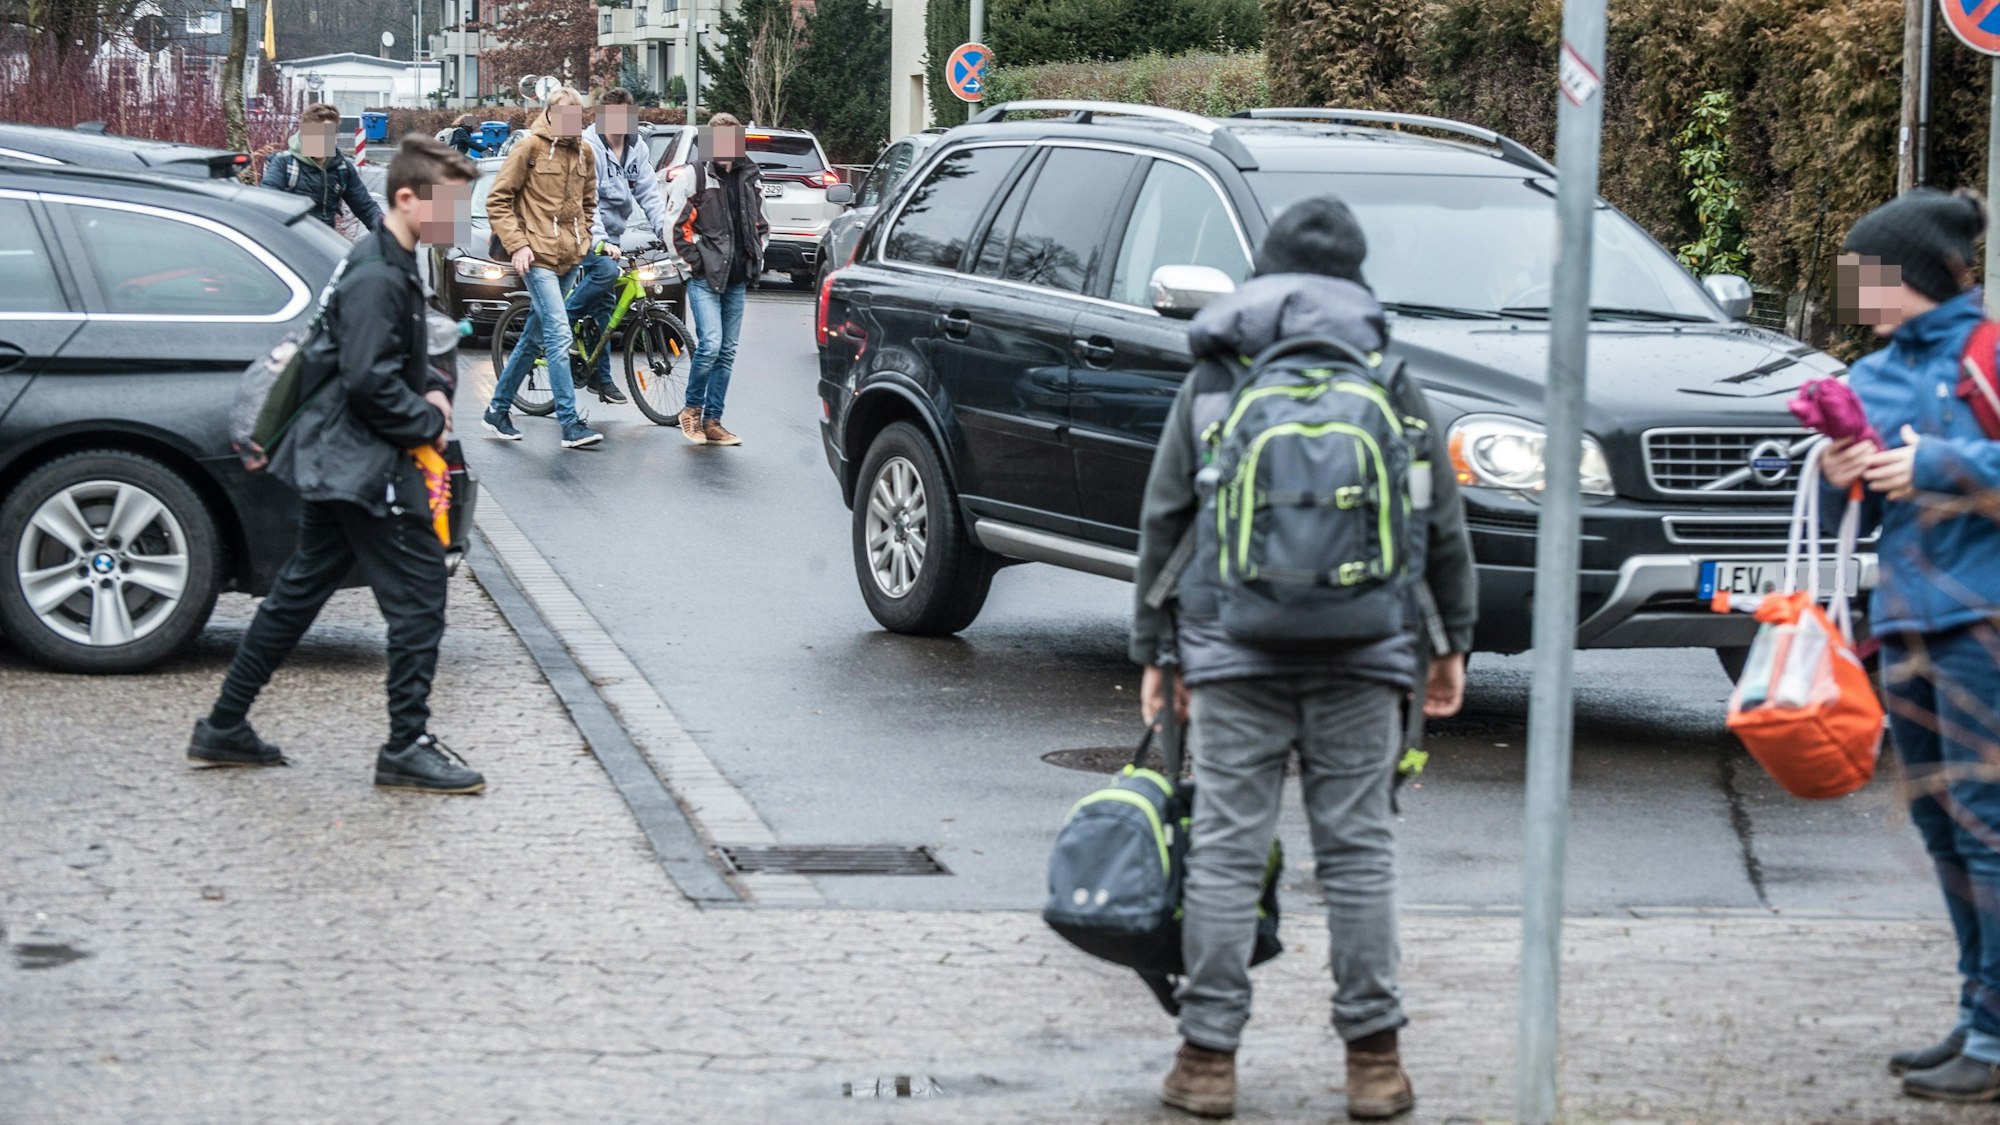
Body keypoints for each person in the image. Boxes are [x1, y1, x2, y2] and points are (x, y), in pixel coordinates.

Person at [1129, 197, 1476, 1121]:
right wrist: (1448, 645)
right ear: (1354, 280)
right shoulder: (1387, 373)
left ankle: (1207, 1060)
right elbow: (1440, 522)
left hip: (1231, 649)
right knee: (1359, 854)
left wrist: (1156, 651)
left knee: (1226, 851)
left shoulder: (1216, 374)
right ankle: (1375, 1064)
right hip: (1366, 649)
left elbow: (1166, 517)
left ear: (1266, 275)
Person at [188, 135, 485, 795]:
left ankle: (224, 725)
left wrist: (427, 387)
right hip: (365, 465)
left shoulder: (386, 257)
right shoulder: (379, 273)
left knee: (296, 595)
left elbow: (382, 362)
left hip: (339, 459)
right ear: (406, 198)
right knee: (420, 600)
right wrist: (429, 419)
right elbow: (367, 380)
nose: (457, 218)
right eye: (450, 204)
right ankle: (406, 747)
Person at [1820, 188, 2000, 1103]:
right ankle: (1976, 1015)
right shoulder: (1872, 374)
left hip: (1986, 624)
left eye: (1865, 274)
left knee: (1988, 826)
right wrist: (1834, 471)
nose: (1854, 292)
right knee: (1941, 825)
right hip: (1901, 625)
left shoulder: (1990, 355)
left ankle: (1996, 1039)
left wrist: (1937, 463)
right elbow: (1836, 514)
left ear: (1911, 275)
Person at [480, 87, 603, 450]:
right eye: (563, 115)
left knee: (534, 336)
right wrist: (517, 244)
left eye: (576, 117)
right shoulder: (529, 147)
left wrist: (584, 237)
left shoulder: (585, 152)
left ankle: (497, 410)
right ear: (549, 114)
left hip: (569, 258)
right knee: (559, 334)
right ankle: (570, 424)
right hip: (536, 257)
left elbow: (588, 202)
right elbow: (497, 199)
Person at [548, 87, 674, 406]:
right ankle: (560, 324)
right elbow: (586, 202)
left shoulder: (636, 147)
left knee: (605, 307)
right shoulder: (588, 147)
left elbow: (649, 194)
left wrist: (667, 234)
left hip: (612, 236)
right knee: (605, 272)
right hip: (581, 230)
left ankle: (600, 378)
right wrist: (601, 242)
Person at [665, 112, 767, 446]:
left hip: (737, 277)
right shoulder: (695, 176)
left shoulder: (750, 176)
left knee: (727, 351)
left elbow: (761, 223)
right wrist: (694, 265)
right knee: (710, 345)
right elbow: (674, 227)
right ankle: (691, 411)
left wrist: (756, 255)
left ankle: (713, 421)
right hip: (705, 278)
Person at [262, 102, 383, 232]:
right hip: (290, 239)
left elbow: (366, 208)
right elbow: (266, 207)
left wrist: (389, 233)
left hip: (324, 240)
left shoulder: (342, 168)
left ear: (335, 137)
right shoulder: (284, 164)